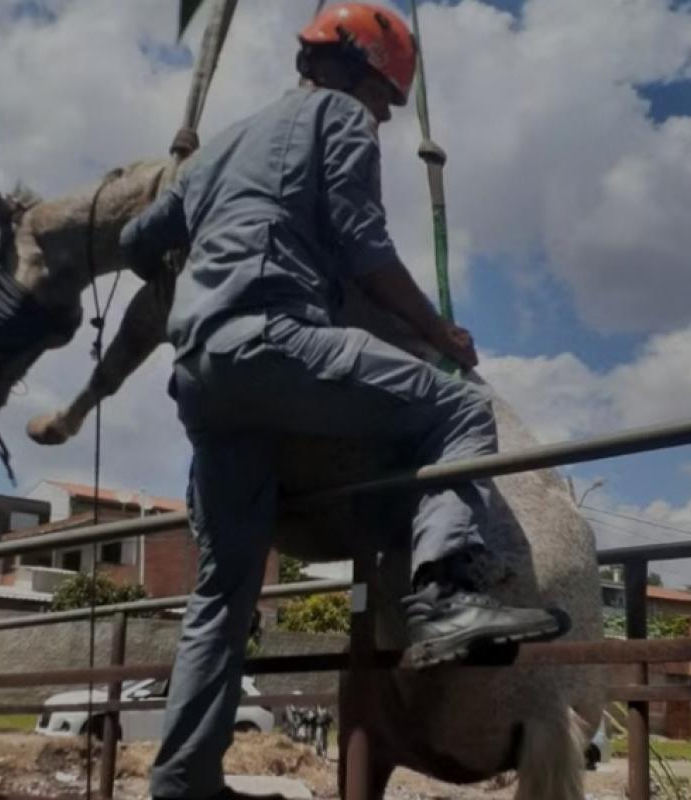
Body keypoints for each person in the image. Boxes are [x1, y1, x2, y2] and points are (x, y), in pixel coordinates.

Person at [120, 4, 570, 798]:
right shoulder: (340, 118)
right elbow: (366, 249)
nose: (381, 117)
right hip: (276, 341)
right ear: (358, 74)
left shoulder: (220, 148)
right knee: (459, 410)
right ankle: (444, 596)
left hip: (201, 381)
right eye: (384, 100)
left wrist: (193, 209)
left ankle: (183, 780)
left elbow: (133, 243)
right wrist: (438, 331)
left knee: (222, 596)